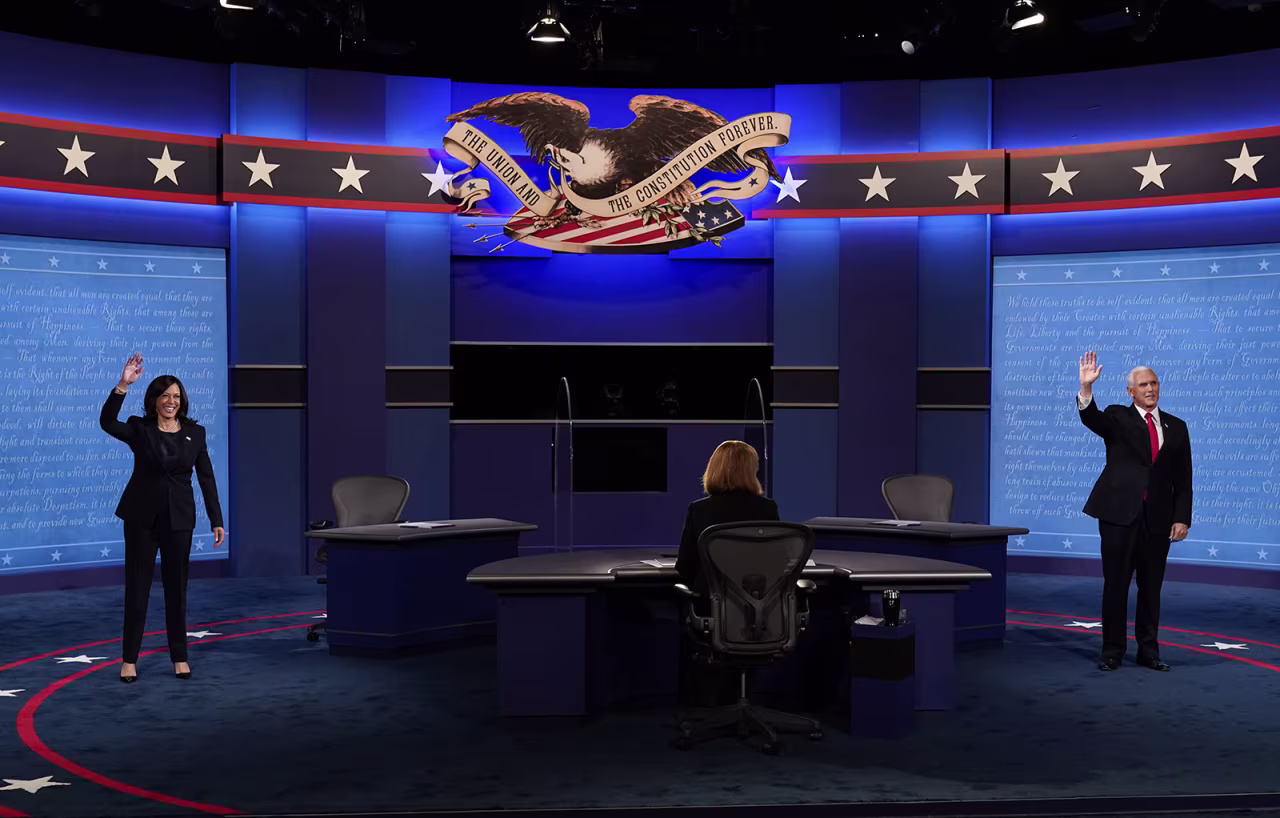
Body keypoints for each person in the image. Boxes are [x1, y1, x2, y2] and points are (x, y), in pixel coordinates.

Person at [100, 353, 225, 683]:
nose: (171, 401)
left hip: (179, 519)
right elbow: (107, 422)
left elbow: (206, 477)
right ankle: (129, 660)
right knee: (138, 589)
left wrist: (216, 518)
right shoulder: (138, 429)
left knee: (176, 591)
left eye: (176, 396)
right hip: (141, 518)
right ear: (154, 399)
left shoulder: (195, 433)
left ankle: (179, 657)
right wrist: (123, 384)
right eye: (165, 395)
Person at [1076, 351, 1192, 672]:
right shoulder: (1117, 417)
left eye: (1154, 383)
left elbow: (1184, 479)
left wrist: (1181, 517)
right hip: (1118, 516)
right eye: (1143, 384)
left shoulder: (1177, 427)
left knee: (1151, 587)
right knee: (1116, 584)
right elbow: (1091, 418)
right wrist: (1086, 390)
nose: (1150, 389)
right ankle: (1112, 651)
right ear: (1131, 392)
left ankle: (1148, 651)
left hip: (1158, 519)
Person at [675, 440, 780, 591]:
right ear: (752, 471)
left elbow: (685, 568)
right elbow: (777, 562)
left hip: (712, 603)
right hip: (758, 601)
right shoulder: (768, 508)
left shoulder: (699, 509)